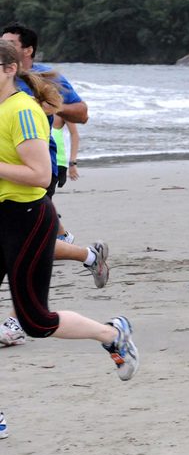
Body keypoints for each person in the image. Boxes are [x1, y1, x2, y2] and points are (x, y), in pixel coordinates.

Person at [0, 40, 137, 378]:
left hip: (27, 219)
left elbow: (40, 175)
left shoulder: (23, 110)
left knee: (34, 320)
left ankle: (112, 334)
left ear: (9, 69)